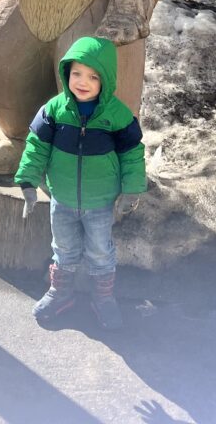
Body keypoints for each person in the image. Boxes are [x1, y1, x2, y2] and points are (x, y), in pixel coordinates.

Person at [15, 35, 146, 329]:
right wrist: (27, 181)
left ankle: (103, 298)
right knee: (64, 248)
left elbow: (133, 154)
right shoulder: (54, 110)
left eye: (92, 76)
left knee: (100, 250)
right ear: (66, 73)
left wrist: (131, 189)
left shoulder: (118, 116)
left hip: (99, 201)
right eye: (76, 73)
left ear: (106, 80)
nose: (82, 82)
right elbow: (36, 146)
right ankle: (61, 292)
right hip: (61, 199)